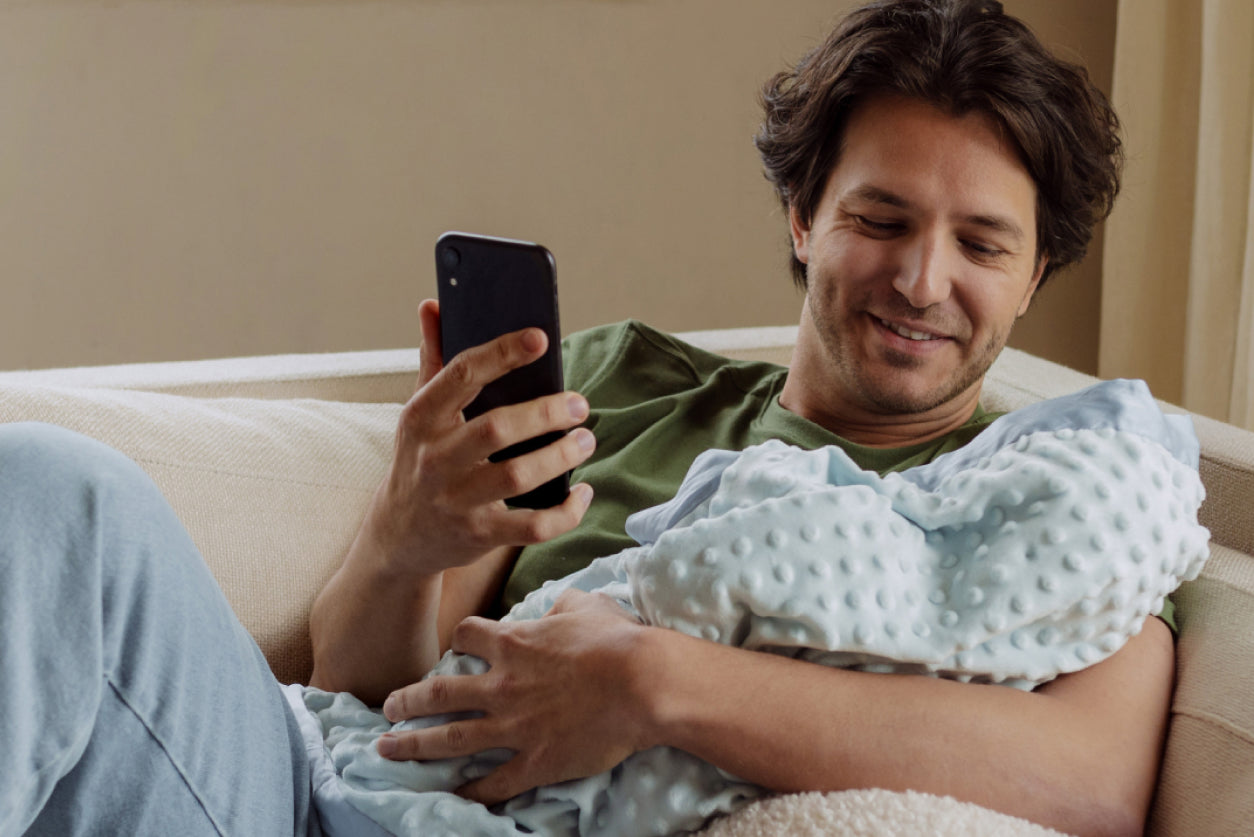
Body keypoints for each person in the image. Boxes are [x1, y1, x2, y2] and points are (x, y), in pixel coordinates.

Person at [0, 1, 1177, 835]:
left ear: (1033, 277)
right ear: (803, 217)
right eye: (880, 219)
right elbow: (355, 682)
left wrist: (648, 686)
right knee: (55, 490)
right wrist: (411, 541)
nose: (923, 281)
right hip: (319, 793)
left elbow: (1091, 785)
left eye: (981, 245)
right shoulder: (620, 383)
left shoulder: (1043, 502)